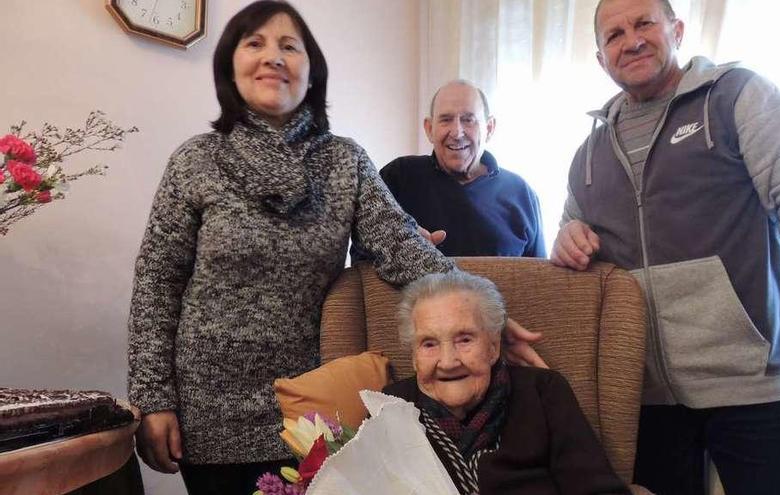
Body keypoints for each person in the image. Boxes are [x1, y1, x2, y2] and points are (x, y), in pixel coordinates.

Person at [125, 2, 461, 493]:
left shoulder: (345, 161)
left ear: (311, 70)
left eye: (289, 46)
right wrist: (154, 399)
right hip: (207, 410)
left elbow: (400, 244)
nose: (273, 57)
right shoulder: (196, 159)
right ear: (229, 65)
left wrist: (476, 304)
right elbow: (157, 282)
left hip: (310, 406)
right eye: (254, 43)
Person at [550, 0, 780, 494]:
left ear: (676, 30)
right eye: (613, 35)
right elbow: (574, 230)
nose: (631, 40)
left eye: (643, 24)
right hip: (646, 399)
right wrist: (566, 238)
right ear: (600, 58)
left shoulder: (738, 97)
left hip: (756, 387)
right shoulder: (588, 153)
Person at [384, 271, 631, 495]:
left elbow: (599, 490)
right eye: (429, 344)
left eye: (465, 339)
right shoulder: (389, 407)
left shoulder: (543, 392)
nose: (448, 362)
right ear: (414, 357)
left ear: (493, 346)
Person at [355, 80, 545, 258]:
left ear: (489, 128)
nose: (456, 132)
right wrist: (401, 252)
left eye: (468, 120)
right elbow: (360, 258)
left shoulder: (522, 194)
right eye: (446, 120)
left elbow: (538, 279)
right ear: (429, 129)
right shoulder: (397, 178)